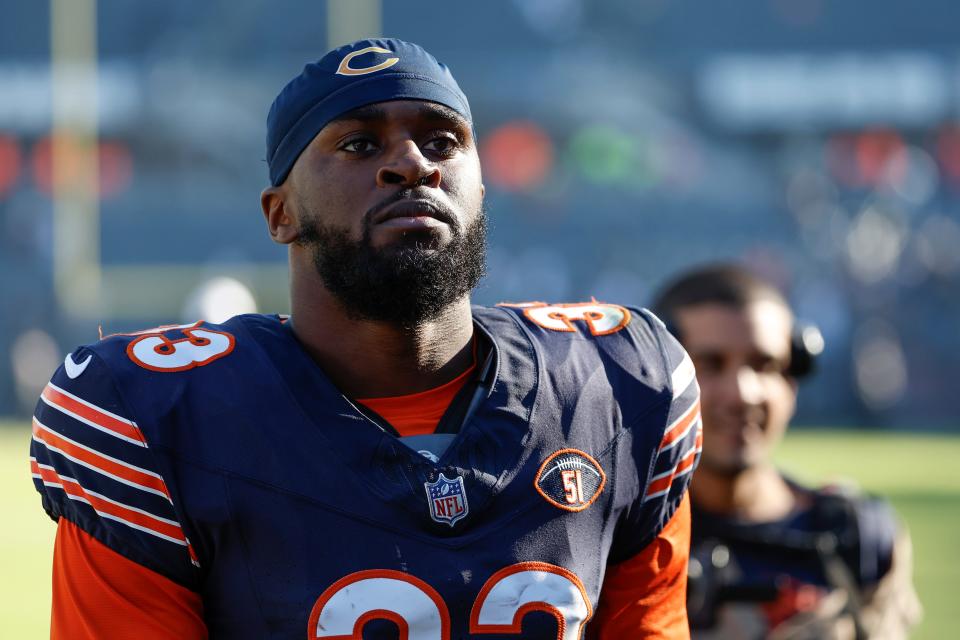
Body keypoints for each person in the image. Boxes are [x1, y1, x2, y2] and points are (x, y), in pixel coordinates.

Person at [30, 38, 703, 639]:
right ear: (281, 213)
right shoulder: (155, 420)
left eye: (442, 141)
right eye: (359, 144)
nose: (412, 163)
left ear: (479, 188)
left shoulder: (619, 388)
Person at [651, 264, 921, 640]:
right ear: (657, 381)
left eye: (766, 365)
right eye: (711, 364)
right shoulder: (618, 541)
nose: (744, 393)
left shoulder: (854, 537)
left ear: (793, 380)